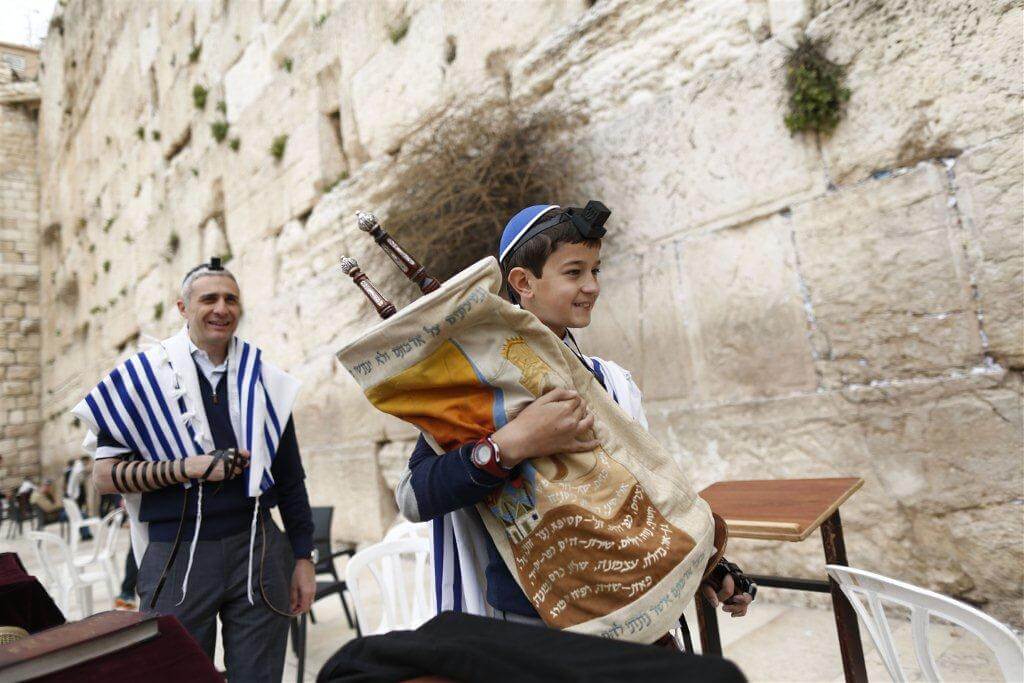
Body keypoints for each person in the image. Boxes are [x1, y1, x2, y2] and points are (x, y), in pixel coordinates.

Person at [396, 203, 753, 638]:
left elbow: (650, 496)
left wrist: (709, 567)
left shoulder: (612, 383)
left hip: (638, 610)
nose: (592, 286)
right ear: (524, 283)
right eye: (574, 272)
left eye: (596, 271)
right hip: (537, 628)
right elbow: (414, 497)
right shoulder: (477, 393)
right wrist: (512, 444)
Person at [72, 258, 315, 682]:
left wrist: (302, 557)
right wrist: (189, 468)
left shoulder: (265, 381)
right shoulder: (141, 378)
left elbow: (291, 479)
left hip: (258, 547)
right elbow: (105, 476)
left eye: (231, 299)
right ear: (183, 308)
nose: (222, 308)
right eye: (209, 299)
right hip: (177, 552)